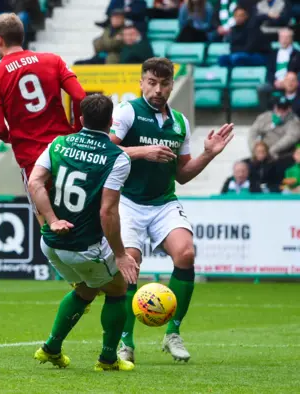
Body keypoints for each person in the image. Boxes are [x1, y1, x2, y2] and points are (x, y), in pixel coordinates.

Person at [110, 57, 234, 363]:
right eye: (152, 82)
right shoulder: (128, 112)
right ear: (141, 83)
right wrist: (142, 151)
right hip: (127, 201)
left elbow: (182, 173)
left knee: (186, 254)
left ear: (171, 86)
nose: (158, 90)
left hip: (164, 201)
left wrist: (207, 154)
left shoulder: (180, 122)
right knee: (130, 263)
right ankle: (125, 342)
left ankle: (173, 333)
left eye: (164, 84)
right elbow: (106, 149)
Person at [28, 94, 138, 372]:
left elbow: (34, 183)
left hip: (50, 242)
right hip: (82, 246)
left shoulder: (58, 143)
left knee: (87, 289)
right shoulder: (117, 158)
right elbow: (108, 213)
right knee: (117, 290)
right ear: (111, 122)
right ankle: (108, 359)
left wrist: (51, 219)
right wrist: (122, 255)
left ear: (80, 119)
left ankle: (51, 349)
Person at [0, 13, 85, 222]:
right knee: (80, 217)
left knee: (48, 224)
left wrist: (12, 137)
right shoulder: (52, 60)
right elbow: (80, 96)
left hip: (31, 157)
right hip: (64, 148)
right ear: (22, 35)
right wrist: (75, 128)